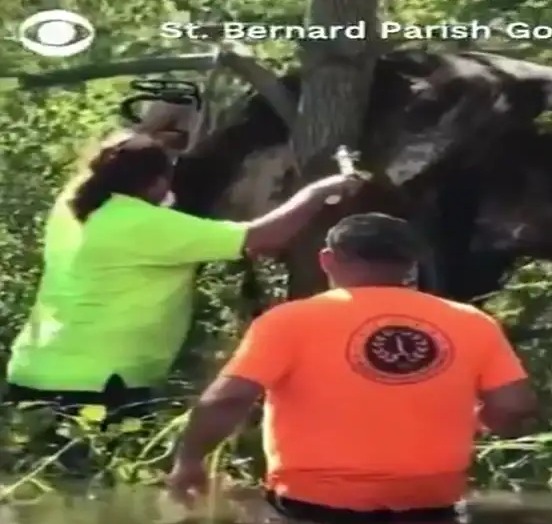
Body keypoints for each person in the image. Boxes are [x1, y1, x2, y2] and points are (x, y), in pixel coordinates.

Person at [167, 212, 538, 524]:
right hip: (432, 504)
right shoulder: (471, 322)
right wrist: (485, 422)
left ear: (328, 259)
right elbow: (514, 406)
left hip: (314, 504)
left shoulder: (290, 321)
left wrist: (189, 462)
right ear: (411, 265)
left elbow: (229, 398)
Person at [3, 133, 362, 432]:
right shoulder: (142, 223)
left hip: (34, 370)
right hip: (99, 385)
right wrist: (320, 191)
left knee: (35, 492)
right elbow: (262, 237)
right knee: (89, 493)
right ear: (157, 182)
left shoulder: (75, 203)